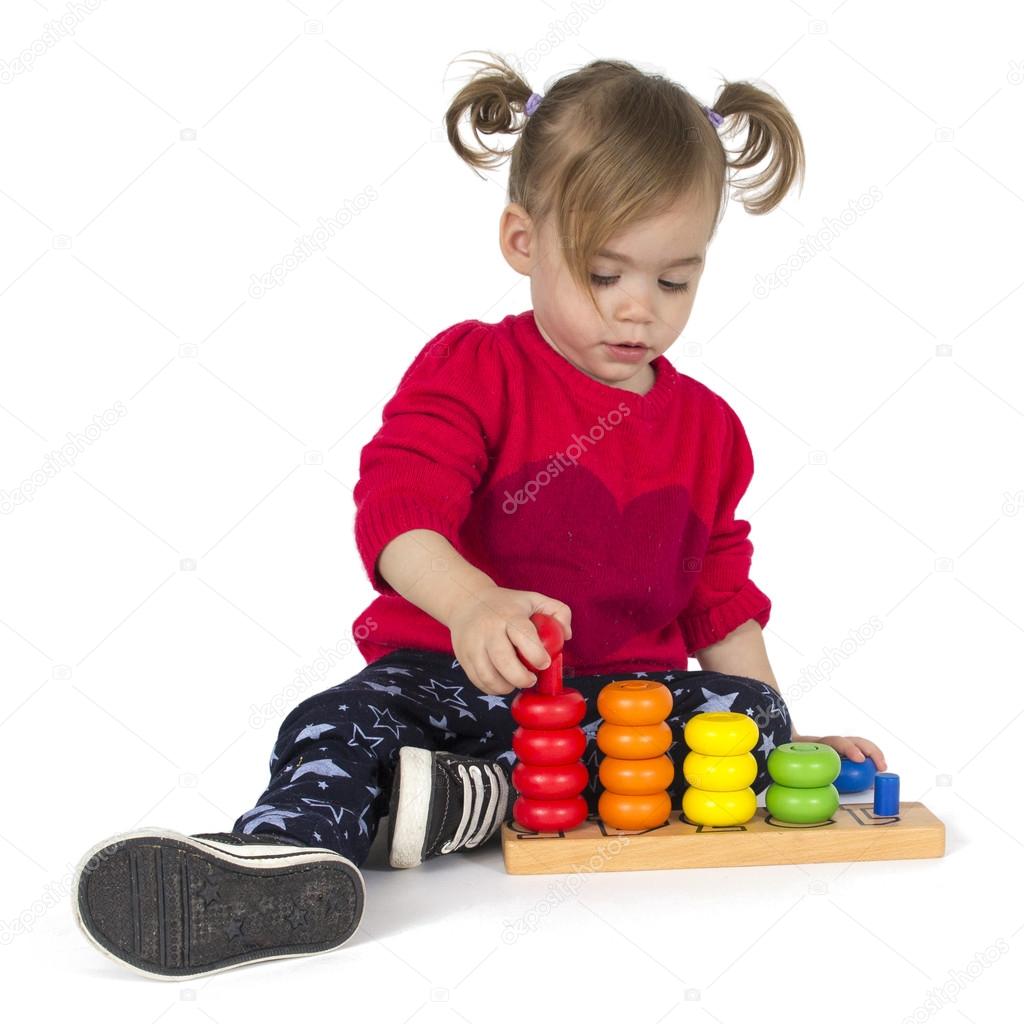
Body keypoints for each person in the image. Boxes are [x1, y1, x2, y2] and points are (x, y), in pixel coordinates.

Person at [72, 51, 887, 981]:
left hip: (610, 718)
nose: (637, 311)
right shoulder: (473, 369)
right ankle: (279, 860)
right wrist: (470, 604)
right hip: (442, 688)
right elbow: (398, 512)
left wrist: (780, 741)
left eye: (673, 283)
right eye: (605, 272)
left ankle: (465, 804)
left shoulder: (710, 430)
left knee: (749, 713)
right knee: (337, 720)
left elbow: (720, 598)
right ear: (522, 241)